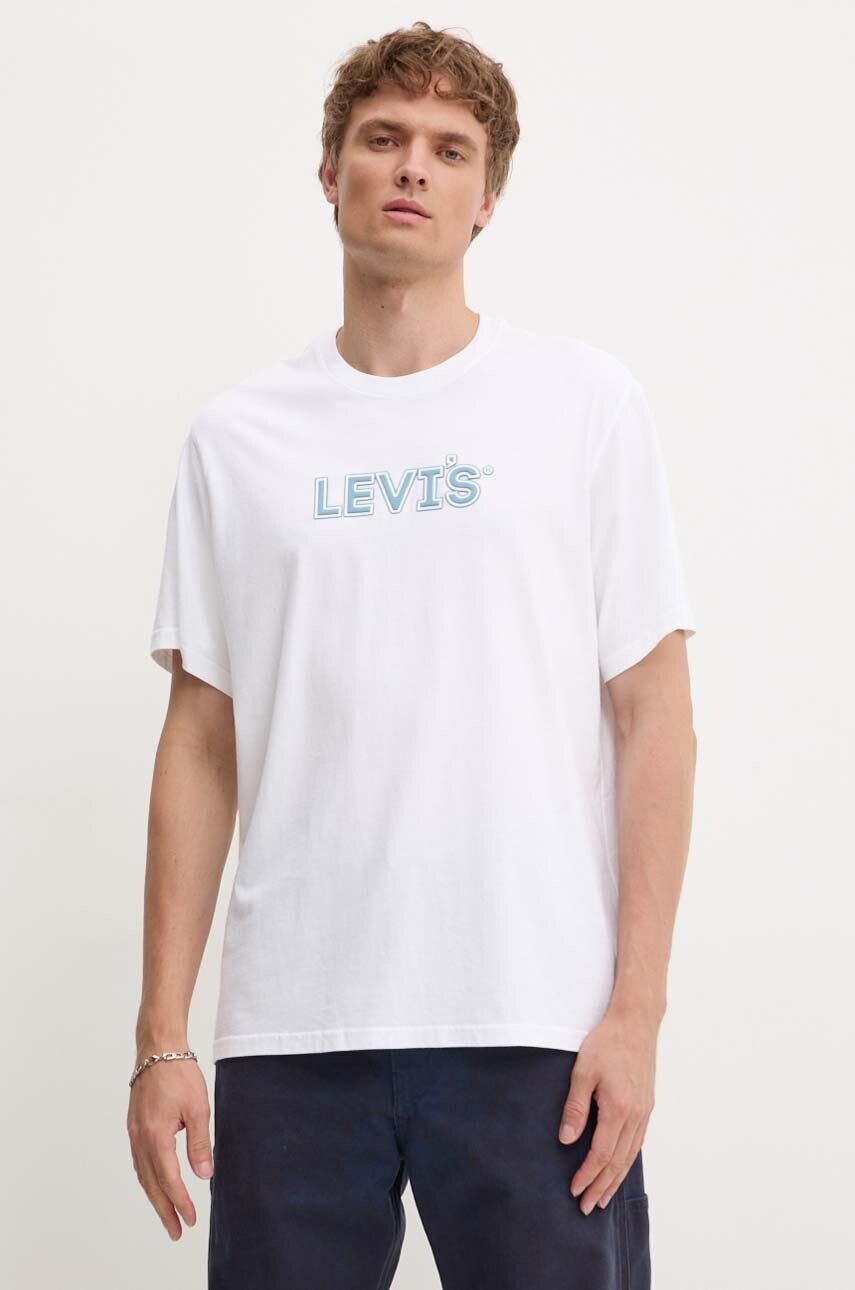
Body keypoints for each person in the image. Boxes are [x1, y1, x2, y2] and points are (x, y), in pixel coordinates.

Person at [127, 21, 697, 1290]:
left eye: (449, 149)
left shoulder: (582, 405)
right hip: (294, 1033)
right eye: (384, 139)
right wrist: (163, 1037)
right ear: (330, 172)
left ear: (488, 197)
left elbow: (654, 714)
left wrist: (636, 1012)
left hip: (536, 1024)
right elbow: (202, 739)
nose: (412, 168)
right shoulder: (238, 439)